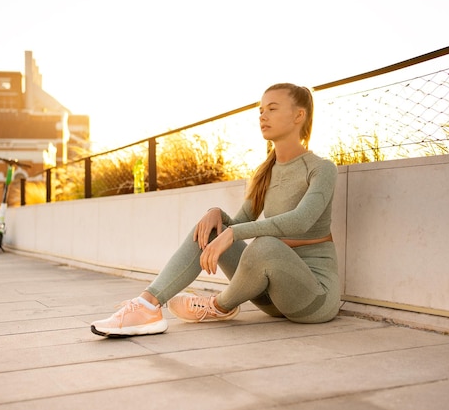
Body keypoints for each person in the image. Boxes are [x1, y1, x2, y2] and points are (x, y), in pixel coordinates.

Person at [91, 83, 340, 337]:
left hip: (313, 300)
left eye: (272, 109)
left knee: (264, 244)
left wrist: (233, 233)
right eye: (261, 110)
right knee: (212, 227)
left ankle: (218, 306)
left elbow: (302, 221)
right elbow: (240, 222)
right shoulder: (265, 172)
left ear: (299, 115)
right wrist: (217, 215)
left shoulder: (322, 169)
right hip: (271, 300)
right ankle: (146, 305)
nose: (263, 116)